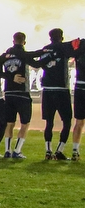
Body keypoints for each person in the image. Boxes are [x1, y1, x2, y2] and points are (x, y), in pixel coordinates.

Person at [33, 28, 77, 160]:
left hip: (47, 90)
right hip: (61, 90)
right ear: (61, 37)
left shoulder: (45, 49)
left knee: (49, 122)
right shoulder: (64, 48)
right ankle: (59, 150)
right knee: (67, 121)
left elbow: (38, 63)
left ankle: (48, 151)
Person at [0, 32, 40, 159]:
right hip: (22, 93)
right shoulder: (23, 54)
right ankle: (17, 150)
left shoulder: (5, 55)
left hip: (8, 93)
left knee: (9, 123)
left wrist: (10, 76)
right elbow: (36, 63)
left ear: (13, 41)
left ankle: (7, 150)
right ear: (24, 41)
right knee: (25, 123)